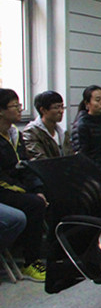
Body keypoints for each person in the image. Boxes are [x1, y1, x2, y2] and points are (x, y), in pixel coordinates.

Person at [0, 89, 48, 281]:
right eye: (14, 106)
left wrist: (37, 189)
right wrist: (26, 191)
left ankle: (55, 252)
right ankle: (30, 261)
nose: (20, 109)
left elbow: (26, 166)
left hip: (17, 187)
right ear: (1, 111)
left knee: (47, 195)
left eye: (20, 105)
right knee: (33, 204)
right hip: (3, 189)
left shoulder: (15, 134)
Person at [71, 85, 101, 175]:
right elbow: (83, 157)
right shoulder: (81, 125)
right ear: (87, 103)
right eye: (98, 100)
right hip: (91, 173)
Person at [23, 90, 71, 160]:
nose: (61, 111)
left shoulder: (63, 132)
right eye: (56, 107)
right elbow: (39, 159)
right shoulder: (31, 132)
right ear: (43, 110)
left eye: (62, 107)